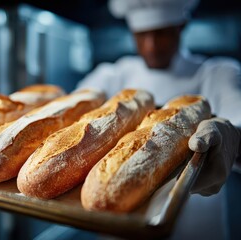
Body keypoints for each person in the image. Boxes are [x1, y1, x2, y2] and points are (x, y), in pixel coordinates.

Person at [76, 0, 241, 197]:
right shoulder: (115, 73)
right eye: (141, 35)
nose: (151, 46)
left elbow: (236, 114)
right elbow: (78, 106)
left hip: (198, 210)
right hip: (122, 212)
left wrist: (231, 135)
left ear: (181, 27)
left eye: (161, 33)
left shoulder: (215, 72)